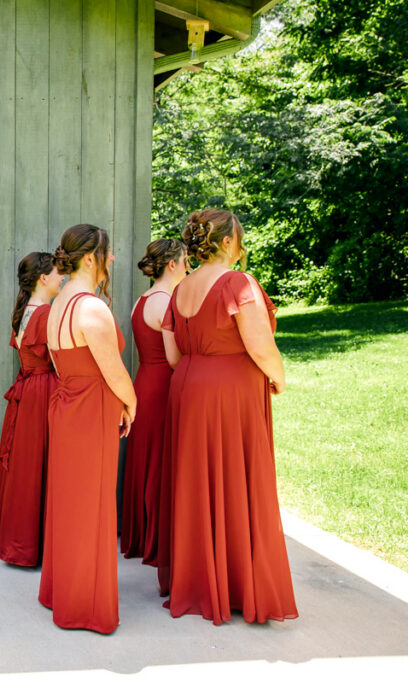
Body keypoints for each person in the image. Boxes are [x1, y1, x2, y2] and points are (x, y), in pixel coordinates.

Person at [158, 209, 298, 624]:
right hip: (231, 392)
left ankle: (201, 580)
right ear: (224, 242)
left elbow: (172, 355)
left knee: (198, 483)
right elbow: (259, 344)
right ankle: (237, 583)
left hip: (188, 387)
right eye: (238, 237)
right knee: (236, 478)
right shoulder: (237, 282)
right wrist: (279, 378)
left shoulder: (181, 289)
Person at [38, 224, 136, 634]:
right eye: (108, 253)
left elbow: (61, 365)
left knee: (70, 501)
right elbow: (113, 371)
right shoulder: (90, 308)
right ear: (92, 257)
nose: (112, 260)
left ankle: (64, 590)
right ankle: (84, 605)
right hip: (90, 409)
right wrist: (132, 402)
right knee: (91, 503)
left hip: (66, 405)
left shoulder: (59, 304)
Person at [0, 252, 63, 567]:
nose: (63, 277)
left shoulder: (24, 311)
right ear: (44, 278)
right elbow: (60, 362)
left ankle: (19, 541)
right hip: (43, 391)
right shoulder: (45, 313)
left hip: (27, 391)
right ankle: (35, 545)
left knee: (26, 466)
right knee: (39, 466)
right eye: (59, 273)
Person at [119, 239, 186, 563]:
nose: (188, 266)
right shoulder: (165, 302)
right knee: (159, 463)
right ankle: (157, 540)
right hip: (161, 387)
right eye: (185, 260)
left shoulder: (141, 300)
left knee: (145, 460)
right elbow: (174, 358)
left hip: (143, 381)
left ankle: (140, 535)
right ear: (172, 264)